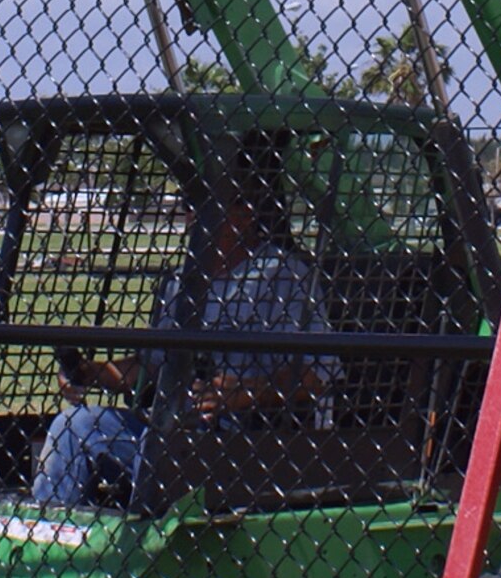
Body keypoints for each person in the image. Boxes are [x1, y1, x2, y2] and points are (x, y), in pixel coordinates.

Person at [32, 172, 336, 508]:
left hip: (248, 437)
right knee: (72, 424)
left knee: (160, 444)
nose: (193, 216)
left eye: (206, 206)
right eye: (189, 206)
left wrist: (243, 392)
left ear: (246, 214)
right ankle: (56, 531)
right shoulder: (182, 282)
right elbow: (150, 365)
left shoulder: (285, 275)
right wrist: (92, 372)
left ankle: (141, 532)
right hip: (174, 428)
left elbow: (318, 376)